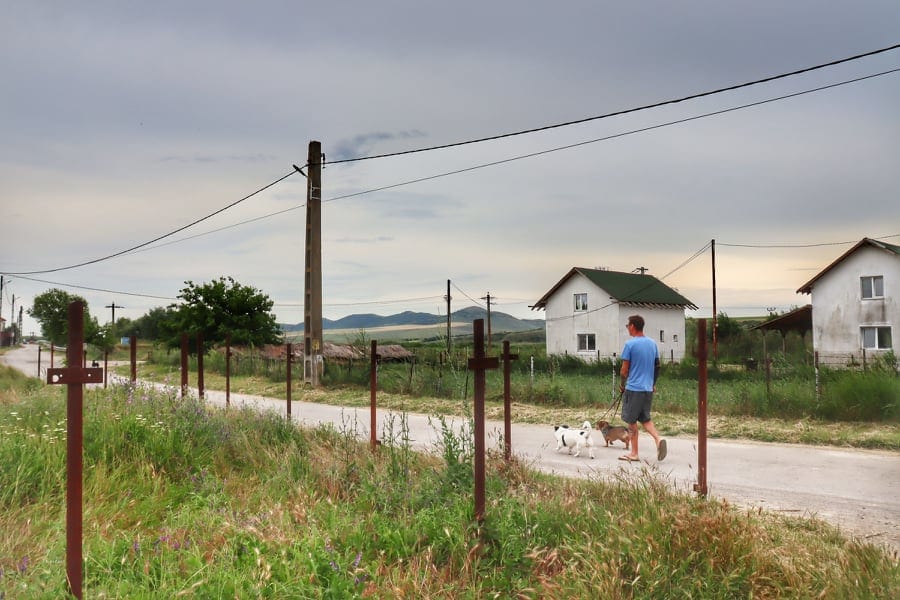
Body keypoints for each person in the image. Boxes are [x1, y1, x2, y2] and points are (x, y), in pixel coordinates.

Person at [618, 314, 666, 462]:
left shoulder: (630, 345)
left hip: (634, 388)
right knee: (645, 418)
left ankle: (634, 453)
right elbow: (657, 366)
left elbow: (624, 370)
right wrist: (652, 383)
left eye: (628, 326)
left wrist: (622, 385)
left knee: (631, 421)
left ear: (632, 326)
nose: (627, 329)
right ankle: (658, 439)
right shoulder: (652, 343)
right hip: (647, 389)